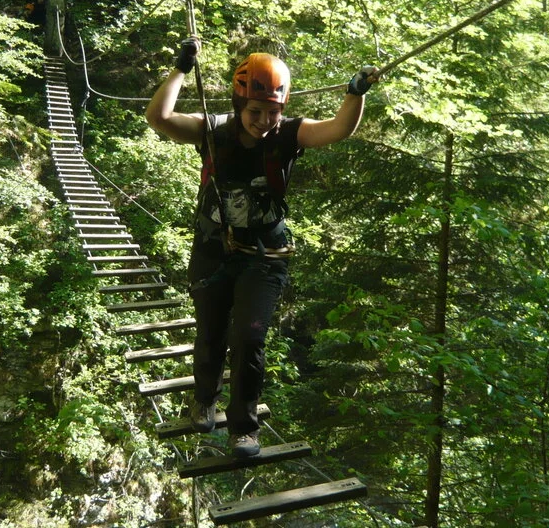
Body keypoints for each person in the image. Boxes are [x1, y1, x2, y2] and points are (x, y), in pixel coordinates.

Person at [146, 38, 379, 457]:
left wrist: (354, 94)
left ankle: (243, 429)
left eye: (273, 112)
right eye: (256, 112)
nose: (265, 121)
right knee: (211, 332)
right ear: (239, 105)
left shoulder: (289, 135)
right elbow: (159, 117)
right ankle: (204, 399)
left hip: (265, 255)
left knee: (250, 337)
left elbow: (338, 129)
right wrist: (181, 69)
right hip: (214, 249)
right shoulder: (213, 130)